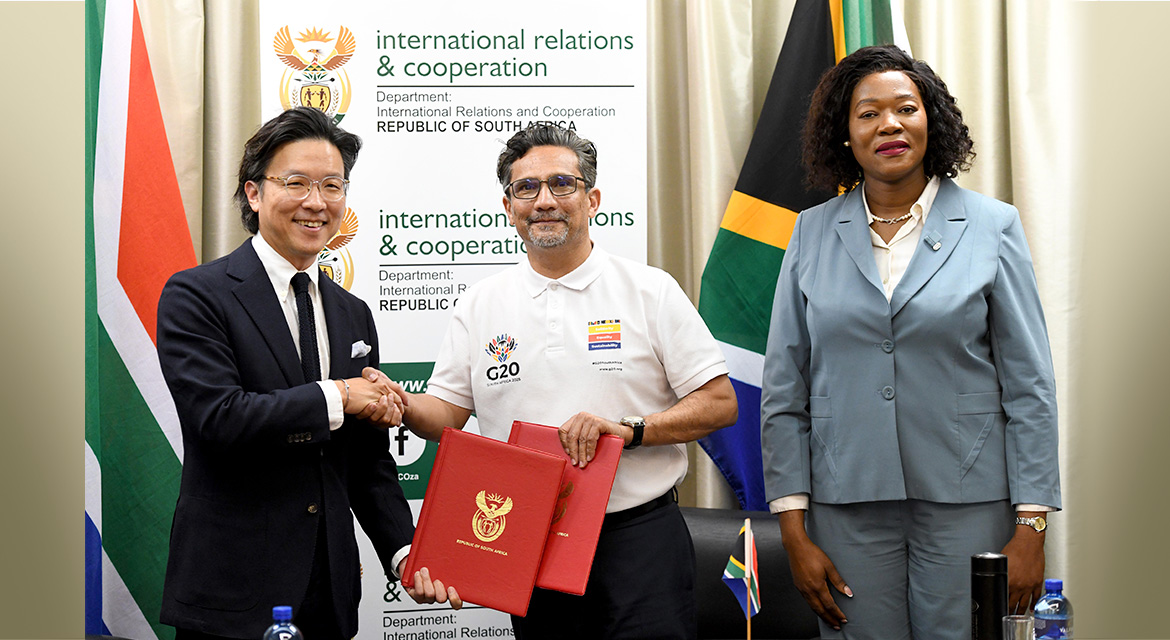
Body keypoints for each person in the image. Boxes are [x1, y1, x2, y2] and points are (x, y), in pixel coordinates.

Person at [759, 45, 1061, 640]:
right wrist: (793, 529)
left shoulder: (992, 224)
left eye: (906, 108)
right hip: (845, 501)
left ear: (933, 122)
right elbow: (783, 387)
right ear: (844, 134)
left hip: (969, 500)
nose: (889, 124)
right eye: (868, 113)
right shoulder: (811, 231)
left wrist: (1032, 526)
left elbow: (1030, 386)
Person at [396, 123, 738, 638]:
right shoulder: (481, 303)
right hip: (526, 538)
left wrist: (631, 430)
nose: (544, 200)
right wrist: (401, 403)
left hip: (638, 537)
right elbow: (445, 414)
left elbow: (719, 404)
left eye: (562, 184)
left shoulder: (650, 290)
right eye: (526, 188)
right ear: (508, 206)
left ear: (592, 198)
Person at [156, 107, 458, 640]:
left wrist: (404, 550)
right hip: (232, 592)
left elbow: (367, 459)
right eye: (295, 183)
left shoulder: (352, 313)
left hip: (329, 591)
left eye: (332, 185)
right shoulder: (195, 295)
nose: (316, 202)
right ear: (254, 193)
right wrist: (341, 394)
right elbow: (220, 419)